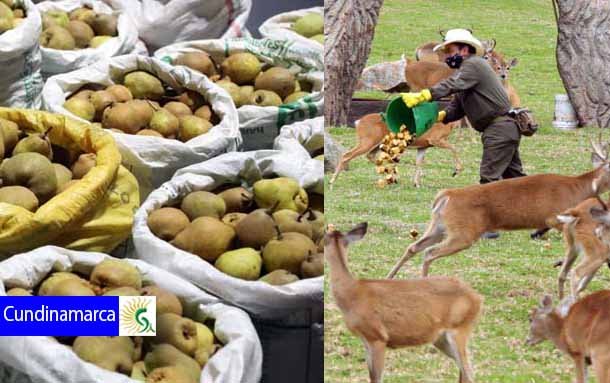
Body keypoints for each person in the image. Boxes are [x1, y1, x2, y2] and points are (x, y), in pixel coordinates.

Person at [402, 29, 526, 239]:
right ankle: (550, 217)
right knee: (518, 179)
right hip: (501, 129)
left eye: (450, 51)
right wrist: (438, 116)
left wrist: (426, 94)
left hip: (500, 128)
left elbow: (452, 85)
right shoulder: (465, 74)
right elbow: (456, 108)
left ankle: (489, 227)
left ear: (464, 49)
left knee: (489, 177)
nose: (446, 56)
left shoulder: (475, 65)